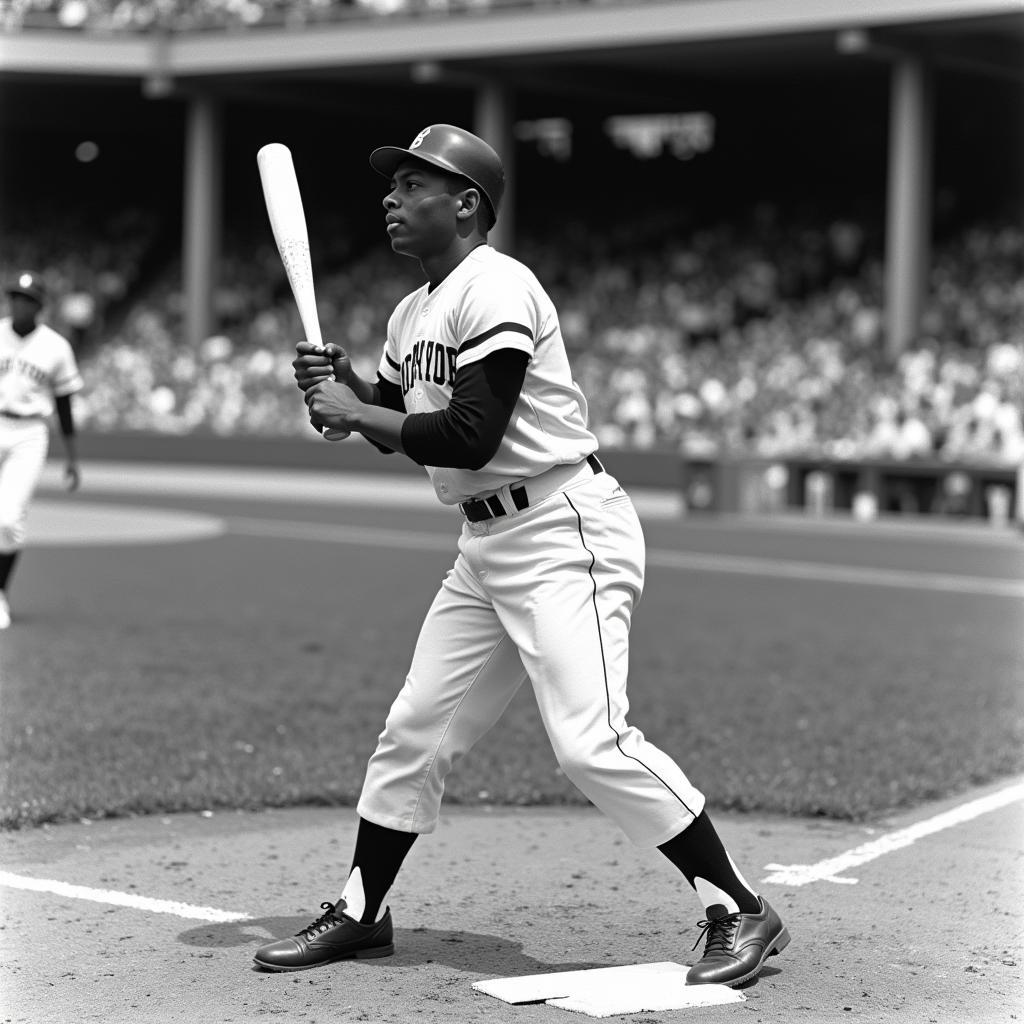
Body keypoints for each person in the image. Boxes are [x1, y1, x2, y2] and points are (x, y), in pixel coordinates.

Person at [253, 124, 790, 987]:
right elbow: (396, 424)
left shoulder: (498, 285)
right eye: (391, 186)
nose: (391, 198)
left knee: (591, 743)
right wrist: (343, 392)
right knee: (414, 729)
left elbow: (469, 433)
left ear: (466, 204)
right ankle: (361, 909)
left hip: (560, 528)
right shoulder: (410, 312)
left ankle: (739, 906)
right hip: (486, 544)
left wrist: (360, 413)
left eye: (413, 185)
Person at [0, 271, 83, 629]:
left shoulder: (56, 347)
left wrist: (72, 458)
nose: (19, 303)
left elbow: (64, 405)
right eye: (15, 297)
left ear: (39, 306)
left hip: (30, 433)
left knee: (6, 520)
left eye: (27, 299)